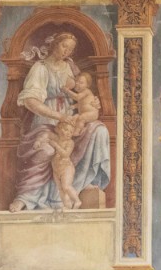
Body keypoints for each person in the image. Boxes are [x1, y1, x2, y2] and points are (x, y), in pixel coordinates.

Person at [9, 31, 111, 212]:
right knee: (47, 149)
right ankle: (26, 197)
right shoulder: (40, 68)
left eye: (70, 49)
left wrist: (92, 101)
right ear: (54, 44)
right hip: (46, 119)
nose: (66, 52)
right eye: (64, 46)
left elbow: (83, 90)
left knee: (99, 130)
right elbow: (30, 101)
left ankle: (85, 181)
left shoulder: (71, 67)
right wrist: (58, 116)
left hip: (70, 120)